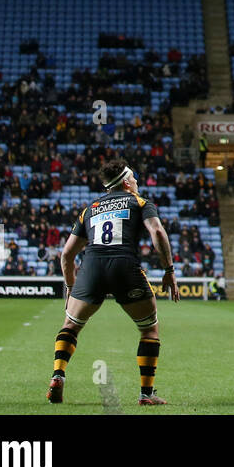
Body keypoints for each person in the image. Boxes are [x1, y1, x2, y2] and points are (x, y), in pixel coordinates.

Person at [49, 158, 180, 406]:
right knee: (149, 329)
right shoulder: (140, 202)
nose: (138, 181)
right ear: (127, 182)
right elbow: (158, 232)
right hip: (124, 268)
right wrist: (169, 270)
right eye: (135, 177)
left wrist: (70, 288)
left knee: (71, 325)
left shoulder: (90, 208)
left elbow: (66, 255)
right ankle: (146, 394)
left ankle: (58, 374)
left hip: (92, 268)